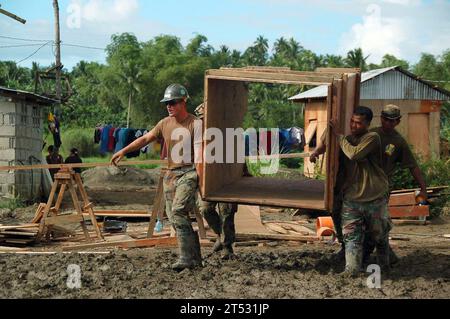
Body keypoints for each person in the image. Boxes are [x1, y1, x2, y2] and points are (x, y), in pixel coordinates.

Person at [111, 84, 203, 271]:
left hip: (189, 172)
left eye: (173, 102)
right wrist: (123, 150)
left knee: (178, 211)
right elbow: (145, 139)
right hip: (171, 174)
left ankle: (186, 257)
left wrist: (201, 179)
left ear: (183, 101)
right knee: (174, 217)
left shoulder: (196, 124)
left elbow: (201, 153)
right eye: (167, 103)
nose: (169, 106)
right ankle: (195, 258)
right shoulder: (164, 124)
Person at [362, 104, 428, 263]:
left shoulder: (399, 142)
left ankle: (378, 258)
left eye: (393, 121)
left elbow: (412, 166)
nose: (389, 123)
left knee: (378, 222)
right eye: (386, 119)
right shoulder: (370, 135)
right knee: (362, 222)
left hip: (382, 189)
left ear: (398, 121)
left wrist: (423, 188)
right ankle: (379, 256)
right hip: (363, 186)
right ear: (381, 118)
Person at [331, 106, 390, 276]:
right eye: (352, 122)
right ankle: (351, 269)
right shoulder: (348, 139)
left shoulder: (372, 137)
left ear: (368, 124)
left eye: (358, 123)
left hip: (374, 196)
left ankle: (384, 266)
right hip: (352, 197)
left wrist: (340, 137)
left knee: (379, 235)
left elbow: (354, 155)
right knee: (351, 235)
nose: (354, 125)